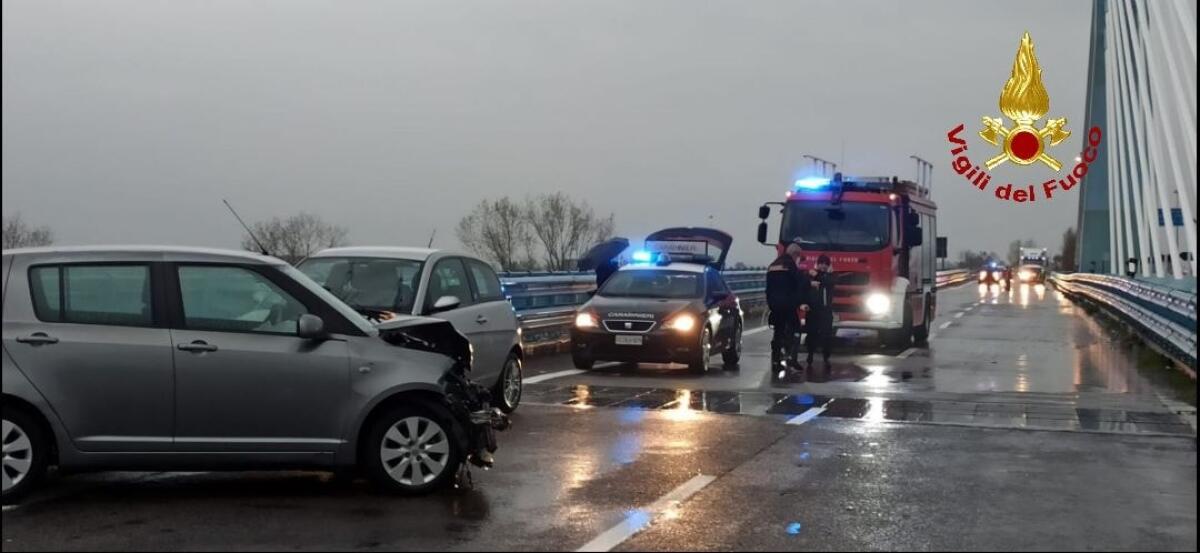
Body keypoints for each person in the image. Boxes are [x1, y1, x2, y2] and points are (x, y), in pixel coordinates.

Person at [766, 240, 806, 381]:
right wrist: (800, 302)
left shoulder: (773, 265)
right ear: (795, 254)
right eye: (799, 257)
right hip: (788, 305)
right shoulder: (791, 266)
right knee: (796, 329)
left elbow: (768, 288)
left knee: (778, 332)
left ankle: (776, 361)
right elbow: (798, 284)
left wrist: (770, 303)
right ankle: (791, 357)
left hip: (775, 305)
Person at [802, 254, 836, 375]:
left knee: (826, 335)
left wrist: (816, 275)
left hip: (826, 311)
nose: (823, 266)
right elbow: (804, 287)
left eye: (825, 264)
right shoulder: (810, 276)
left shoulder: (830, 276)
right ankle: (810, 355)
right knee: (811, 334)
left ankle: (826, 356)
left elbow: (828, 282)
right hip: (812, 310)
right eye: (821, 263)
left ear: (828, 265)